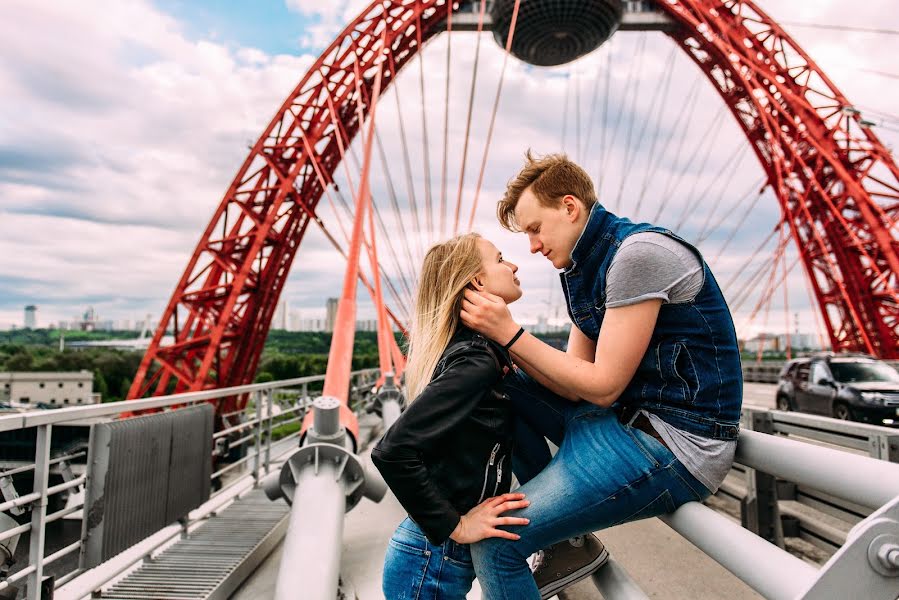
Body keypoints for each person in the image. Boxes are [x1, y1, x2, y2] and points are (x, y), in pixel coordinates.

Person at [460, 151, 743, 599]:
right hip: (621, 423)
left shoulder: (638, 255)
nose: (532, 245)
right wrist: (498, 351)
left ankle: (556, 536)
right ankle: (565, 539)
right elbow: (573, 380)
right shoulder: (583, 267)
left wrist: (509, 333)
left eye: (535, 228)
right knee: (495, 386)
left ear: (569, 207)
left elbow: (604, 384)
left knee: (498, 544)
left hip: (674, 444)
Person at [372, 233, 531, 600]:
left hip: (431, 558)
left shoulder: (476, 350)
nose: (514, 265)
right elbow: (391, 451)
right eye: (501, 258)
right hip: (429, 563)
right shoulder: (476, 359)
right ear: (476, 280)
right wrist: (456, 526)